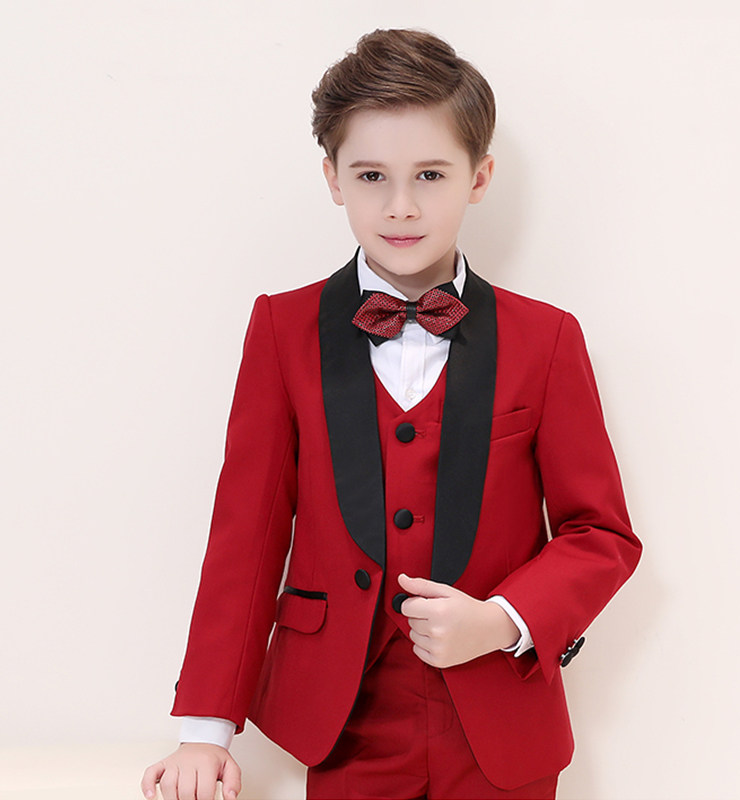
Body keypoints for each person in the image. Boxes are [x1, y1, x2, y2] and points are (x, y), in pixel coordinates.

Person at [142, 28, 641, 800]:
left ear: (479, 177)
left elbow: (599, 533)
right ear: (333, 178)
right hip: (342, 726)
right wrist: (205, 732)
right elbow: (247, 534)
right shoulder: (282, 330)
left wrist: (502, 619)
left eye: (430, 175)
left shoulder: (547, 339)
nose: (401, 206)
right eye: (372, 175)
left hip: (502, 724)